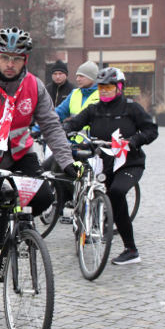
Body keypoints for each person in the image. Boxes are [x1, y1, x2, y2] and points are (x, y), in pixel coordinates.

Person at [0, 28, 82, 312]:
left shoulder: (34, 87)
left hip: (20, 154)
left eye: (17, 59)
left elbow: (51, 126)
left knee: (44, 196)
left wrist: (67, 161)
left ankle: (16, 232)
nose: (11, 64)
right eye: (6, 57)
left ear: (25, 61)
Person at [65, 67, 157, 265]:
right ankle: (88, 221)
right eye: (102, 87)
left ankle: (131, 249)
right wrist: (65, 129)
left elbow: (151, 130)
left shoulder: (131, 108)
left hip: (129, 163)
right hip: (104, 162)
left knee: (116, 193)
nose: (105, 91)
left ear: (119, 88)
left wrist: (134, 140)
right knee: (88, 182)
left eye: (109, 87)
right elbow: (75, 123)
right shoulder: (94, 109)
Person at [44, 60, 99, 222]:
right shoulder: (75, 94)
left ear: (92, 77)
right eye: (77, 76)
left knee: (96, 179)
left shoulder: (100, 95)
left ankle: (100, 214)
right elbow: (57, 113)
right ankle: (66, 202)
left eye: (82, 76)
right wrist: (38, 127)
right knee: (55, 167)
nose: (79, 79)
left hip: (94, 144)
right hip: (73, 143)